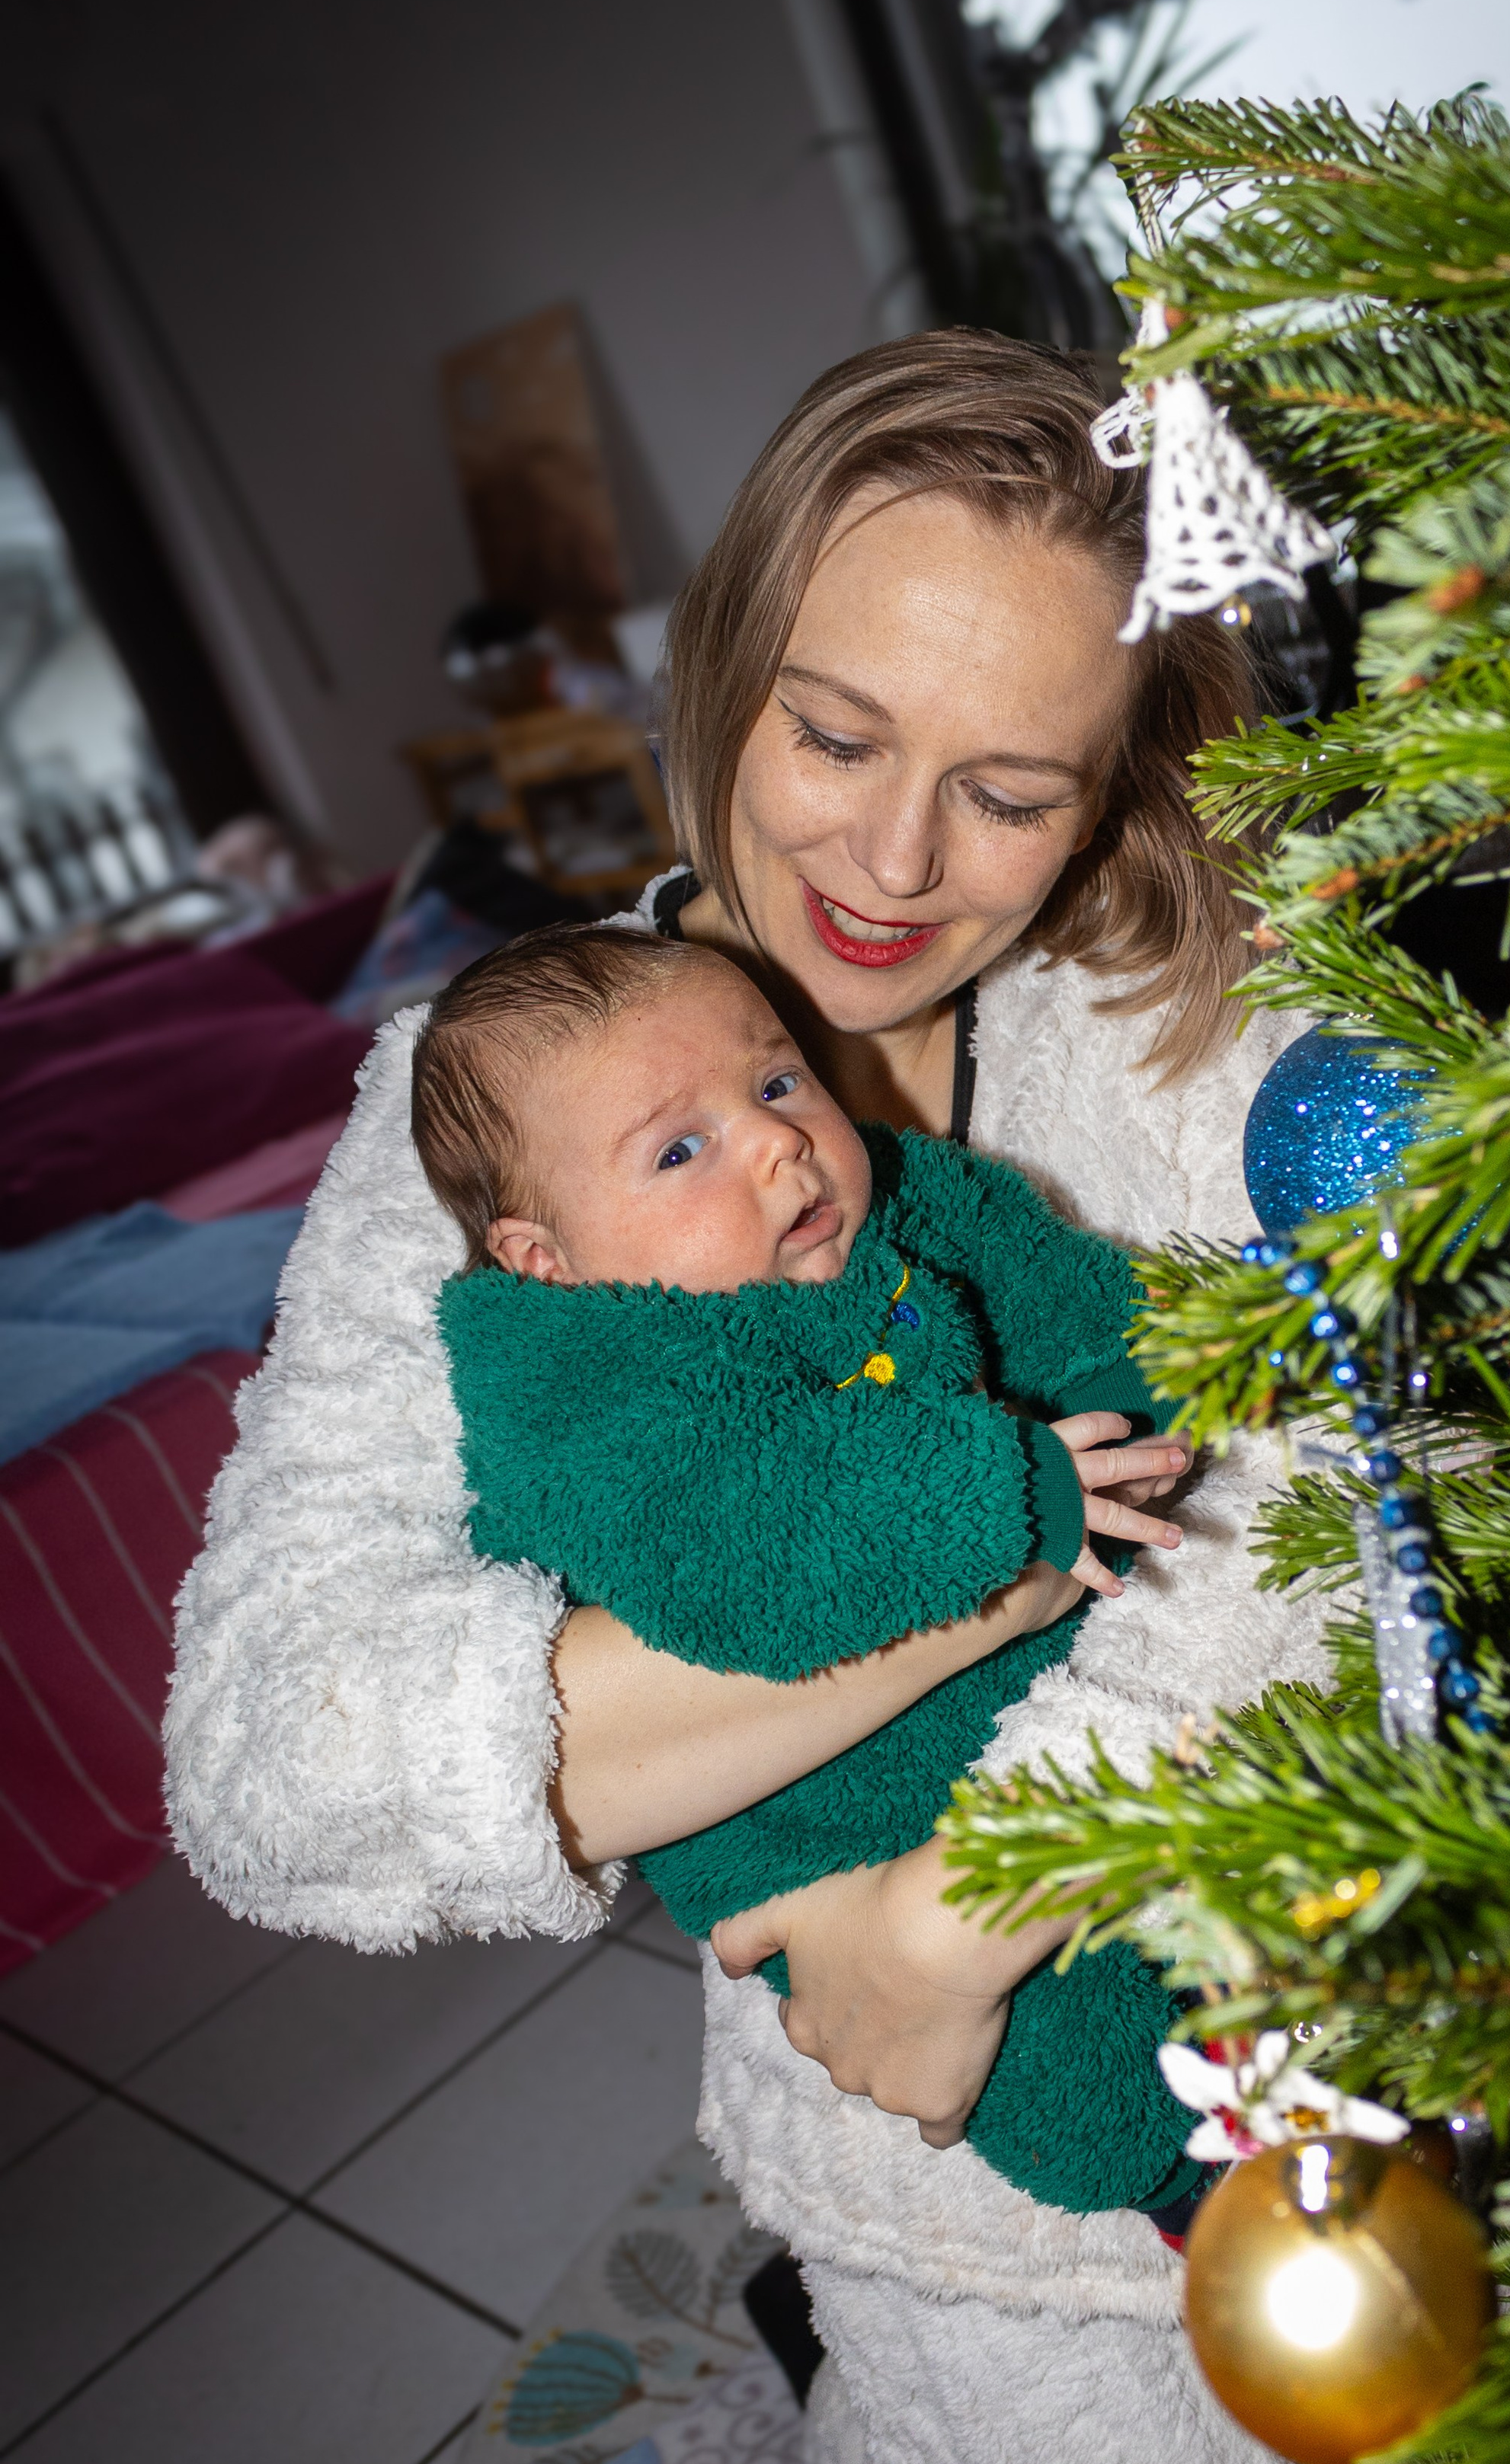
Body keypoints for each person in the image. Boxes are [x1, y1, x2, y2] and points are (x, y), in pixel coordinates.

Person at [167, 331, 1334, 2464]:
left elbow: (1357, 1515)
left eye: (1011, 791)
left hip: (1309, 1996)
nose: (894, 871)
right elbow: (283, 1765)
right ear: (720, 677)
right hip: (916, 2147)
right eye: (832, 739)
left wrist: (966, 1902)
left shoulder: (1204, 1027)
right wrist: (1011, 1551)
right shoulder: (481, 1088)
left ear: (1113, 782)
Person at [419, 921, 1201, 2214]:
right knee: (1090, 2062)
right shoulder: (579, 1385)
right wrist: (1008, 1488)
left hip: (1054, 1717)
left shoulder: (904, 1198)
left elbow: (1065, 1292)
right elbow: (745, 1558)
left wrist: (1140, 1391)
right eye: (682, 1149)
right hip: (835, 1829)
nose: (777, 1140)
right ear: (544, 1259)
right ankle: (1202, 2190)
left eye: (777, 1084)